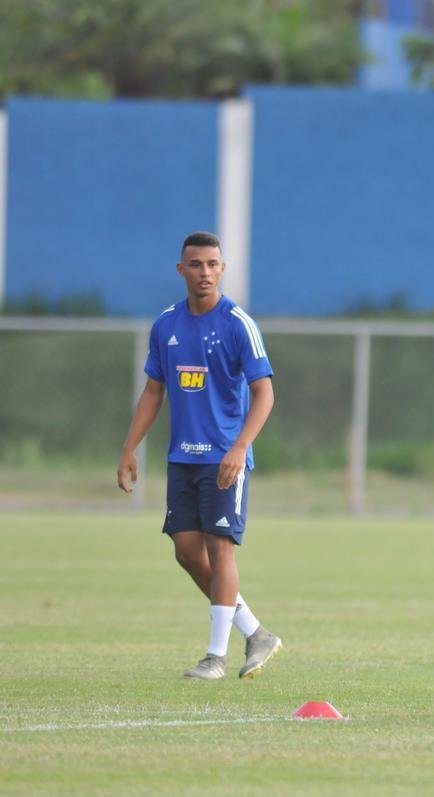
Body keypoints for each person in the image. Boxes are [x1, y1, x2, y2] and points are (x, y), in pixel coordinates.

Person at [117, 231, 282, 681]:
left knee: (219, 548)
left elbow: (264, 392)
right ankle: (256, 632)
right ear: (181, 270)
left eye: (212, 264)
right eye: (196, 264)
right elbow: (154, 389)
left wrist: (240, 446)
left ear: (223, 269)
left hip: (223, 457)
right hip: (182, 458)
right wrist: (130, 446)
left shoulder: (237, 324)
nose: (205, 272)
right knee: (187, 553)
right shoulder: (166, 325)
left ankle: (215, 657)